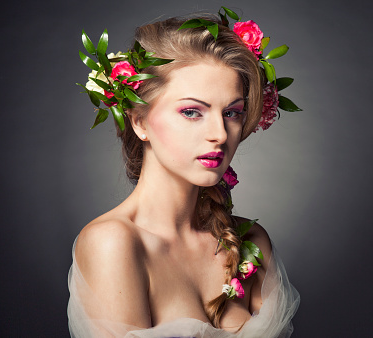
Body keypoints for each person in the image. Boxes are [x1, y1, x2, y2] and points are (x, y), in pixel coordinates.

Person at [68, 9, 300, 338]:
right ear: (139, 121)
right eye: (192, 111)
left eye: (232, 112)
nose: (220, 133)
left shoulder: (251, 241)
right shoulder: (114, 244)